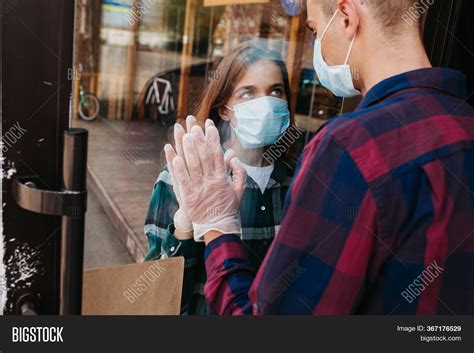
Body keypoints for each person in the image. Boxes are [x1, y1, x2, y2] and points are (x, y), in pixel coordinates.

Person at [167, 0, 474, 315]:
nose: (319, 50)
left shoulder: (350, 149)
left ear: (346, 17)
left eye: (314, 30)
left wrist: (217, 227)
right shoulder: (464, 126)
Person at [144, 44, 299, 314]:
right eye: (247, 93)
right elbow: (156, 297)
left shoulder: (299, 181)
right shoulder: (180, 179)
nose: (266, 103)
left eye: (276, 91)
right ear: (225, 109)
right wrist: (185, 227)